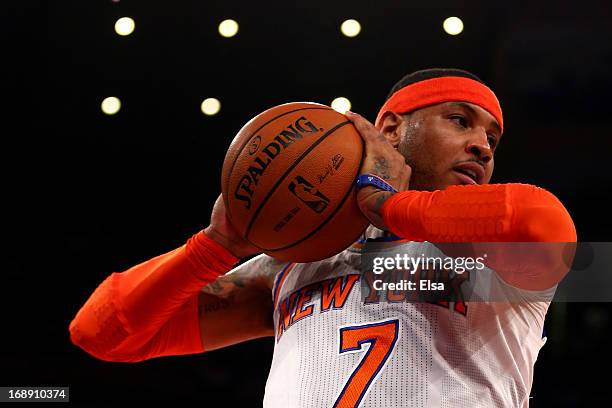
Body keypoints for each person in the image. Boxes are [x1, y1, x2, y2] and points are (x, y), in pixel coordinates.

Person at [69, 68, 576, 407]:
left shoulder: (496, 256)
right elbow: (101, 334)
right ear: (391, 129)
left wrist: (387, 203)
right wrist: (214, 248)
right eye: (460, 120)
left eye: (492, 138)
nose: (481, 146)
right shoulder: (294, 263)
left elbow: (542, 221)